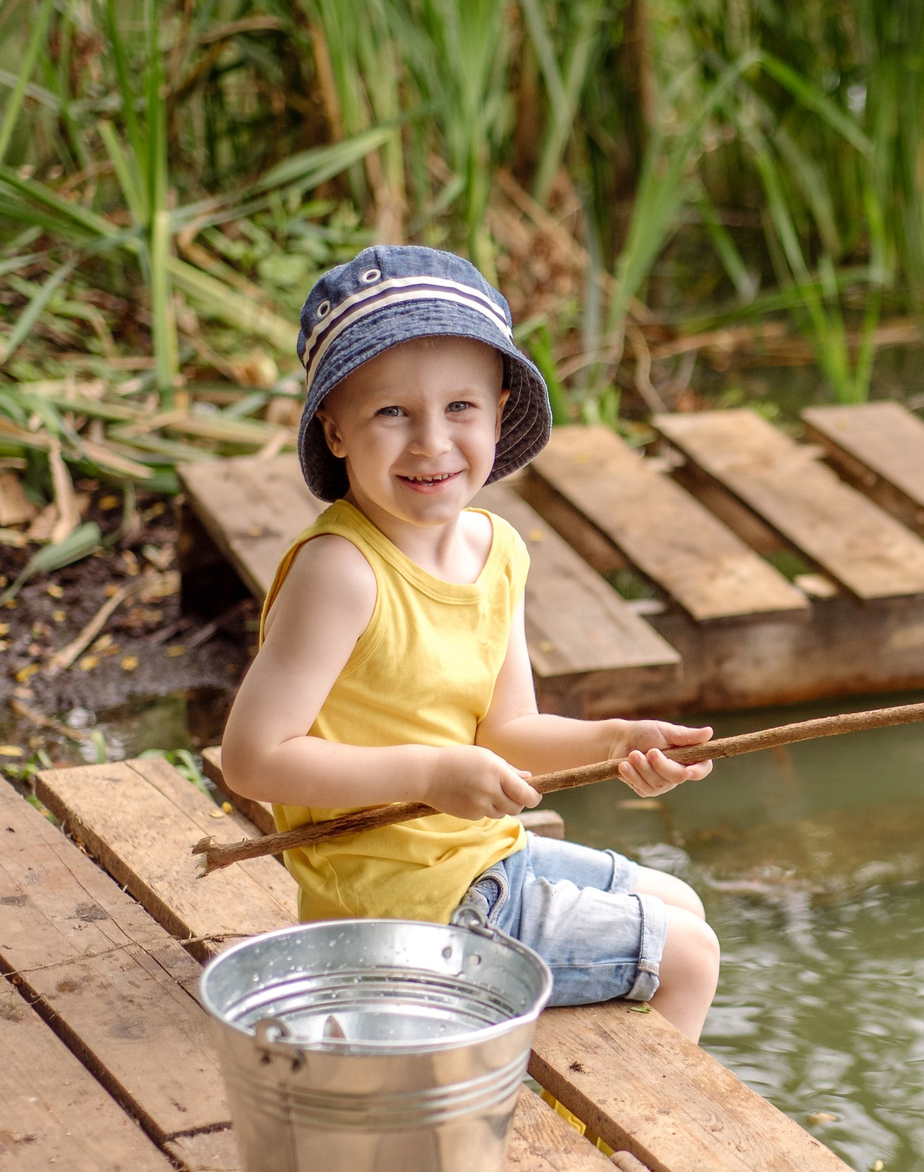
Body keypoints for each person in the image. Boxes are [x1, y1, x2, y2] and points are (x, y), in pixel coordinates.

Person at [219, 246, 722, 1040]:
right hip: (395, 904)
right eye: (392, 413)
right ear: (335, 429)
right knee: (687, 954)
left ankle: (549, 1084)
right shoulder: (342, 573)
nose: (431, 443)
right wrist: (429, 770)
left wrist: (619, 740)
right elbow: (251, 758)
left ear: (498, 407)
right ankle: (634, 1156)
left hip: (476, 859)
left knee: (680, 903)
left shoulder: (498, 548)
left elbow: (507, 732)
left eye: (460, 408)